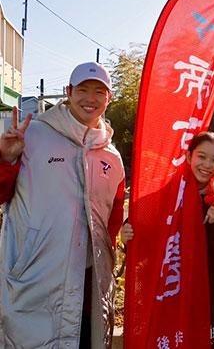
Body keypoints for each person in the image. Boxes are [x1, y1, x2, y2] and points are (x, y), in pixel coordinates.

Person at [0, 62, 125, 349]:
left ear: (109, 98)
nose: (90, 99)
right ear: (67, 93)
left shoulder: (112, 157)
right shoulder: (31, 137)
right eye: (82, 90)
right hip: (35, 278)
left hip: (89, 282)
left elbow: (112, 219)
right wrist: (6, 160)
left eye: (99, 92)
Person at [122, 131, 214, 349]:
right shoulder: (164, 194)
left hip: (206, 301)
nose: (207, 165)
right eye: (201, 156)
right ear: (188, 157)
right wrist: (127, 234)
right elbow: (139, 239)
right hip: (168, 296)